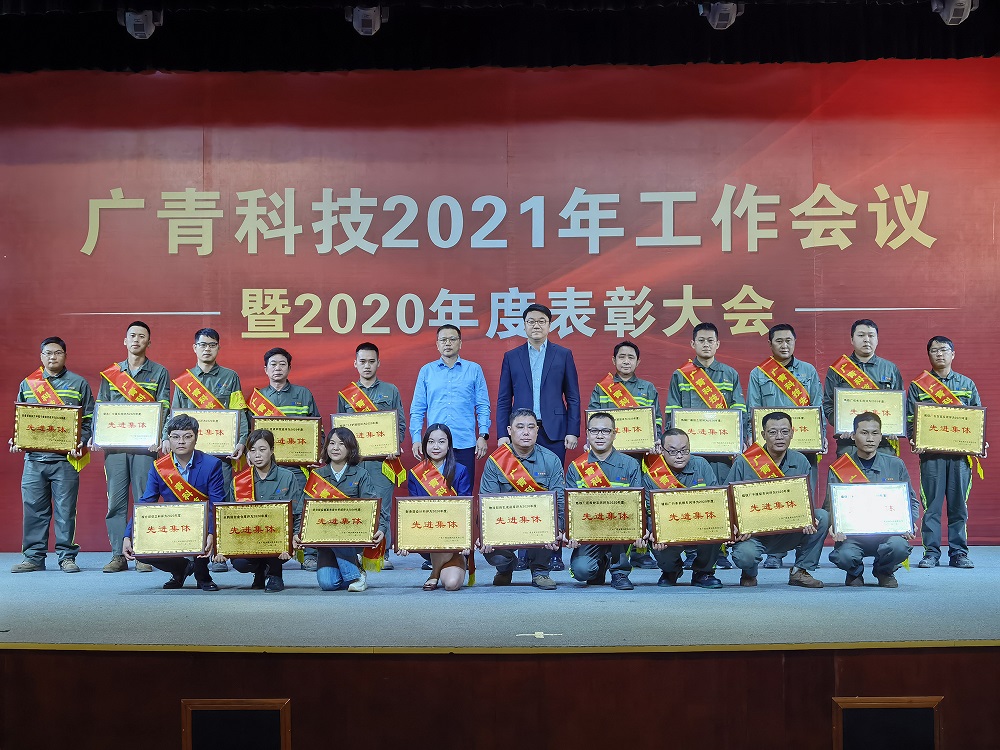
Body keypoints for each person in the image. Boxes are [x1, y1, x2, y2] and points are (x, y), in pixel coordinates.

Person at [166, 328, 249, 573]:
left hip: (221, 455)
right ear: (195, 348)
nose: (207, 349)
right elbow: (174, 416)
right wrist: (166, 439)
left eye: (212, 345)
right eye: (203, 345)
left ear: (218, 348)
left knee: (219, 502)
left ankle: (218, 554)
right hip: (189, 455)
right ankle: (190, 552)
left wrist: (242, 440)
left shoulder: (230, 377)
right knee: (189, 501)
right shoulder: (184, 380)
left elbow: (239, 411)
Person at [9, 337, 95, 573]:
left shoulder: (78, 383)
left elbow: (89, 419)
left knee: (65, 511)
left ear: (65, 355)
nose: (52, 357)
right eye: (48, 353)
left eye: (57, 353)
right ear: (41, 356)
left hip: (65, 461)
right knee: (33, 511)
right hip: (34, 460)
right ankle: (33, 557)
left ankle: (67, 557)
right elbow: (21, 419)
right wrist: (17, 439)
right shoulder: (28, 384)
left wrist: (81, 441)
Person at [665, 322, 746, 569]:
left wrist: (740, 439)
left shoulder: (730, 374)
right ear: (693, 344)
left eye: (711, 340)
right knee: (691, 499)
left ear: (718, 344)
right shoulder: (681, 375)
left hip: (721, 452)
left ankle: (718, 549)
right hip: (689, 453)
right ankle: (692, 549)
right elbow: (672, 412)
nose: (706, 344)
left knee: (719, 495)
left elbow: (739, 411)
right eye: (701, 340)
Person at [746, 323, 825, 569]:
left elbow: (818, 407)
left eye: (788, 340)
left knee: (804, 497)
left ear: (795, 342)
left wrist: (820, 434)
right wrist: (752, 438)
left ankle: (804, 558)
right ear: (770, 343)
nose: (784, 345)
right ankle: (775, 551)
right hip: (771, 450)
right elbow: (752, 410)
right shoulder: (759, 373)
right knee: (773, 496)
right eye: (779, 341)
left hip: (804, 448)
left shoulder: (808, 371)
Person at [94, 321, 170, 574]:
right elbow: (101, 406)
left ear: (149, 342)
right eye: (132, 336)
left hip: (145, 448)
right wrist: (97, 435)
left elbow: (164, 407)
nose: (136, 340)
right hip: (115, 450)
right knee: (115, 503)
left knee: (144, 500)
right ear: (125, 341)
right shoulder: (111, 373)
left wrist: (161, 436)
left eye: (142, 336)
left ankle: (142, 553)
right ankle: (118, 555)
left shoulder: (159, 372)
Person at [122, 414, 227, 591]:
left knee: (202, 524)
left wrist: (212, 533)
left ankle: (203, 575)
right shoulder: (159, 467)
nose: (181, 442)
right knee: (139, 548)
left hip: (202, 524)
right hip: (174, 524)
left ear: (196, 438)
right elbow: (146, 503)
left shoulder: (212, 464)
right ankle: (180, 568)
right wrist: (128, 535)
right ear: (169, 439)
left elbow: (217, 504)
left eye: (187, 437)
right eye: (175, 437)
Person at [727, 411, 830, 588]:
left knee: (821, 516)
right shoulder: (745, 462)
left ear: (792, 433)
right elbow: (728, 501)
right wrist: (737, 525)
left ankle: (800, 571)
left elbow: (806, 500)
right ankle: (749, 571)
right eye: (773, 432)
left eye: (784, 431)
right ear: (763, 435)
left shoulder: (801, 461)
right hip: (754, 534)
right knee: (745, 555)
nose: (779, 437)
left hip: (788, 531)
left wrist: (807, 518)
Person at [906, 336, 983, 569]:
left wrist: (979, 443)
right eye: (934, 350)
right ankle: (931, 553)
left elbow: (976, 419)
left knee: (958, 506)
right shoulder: (919, 386)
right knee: (932, 507)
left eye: (944, 349)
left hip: (960, 458)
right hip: (931, 457)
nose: (939, 354)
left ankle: (959, 553)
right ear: (928, 355)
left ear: (953, 354)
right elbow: (910, 419)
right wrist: (914, 439)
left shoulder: (967, 384)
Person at [589, 340, 663, 569]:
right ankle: (610, 547)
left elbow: (657, 420)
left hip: (640, 457)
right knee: (614, 499)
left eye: (631, 357)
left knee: (640, 499)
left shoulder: (648, 388)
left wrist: (655, 439)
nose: (626, 361)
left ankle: (641, 551)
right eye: (621, 357)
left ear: (638, 362)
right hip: (609, 456)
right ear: (614, 360)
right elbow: (593, 418)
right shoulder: (602, 388)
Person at [247, 346, 321, 571]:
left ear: (289, 368)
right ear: (265, 369)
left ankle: (309, 554)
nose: (277, 368)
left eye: (282, 364)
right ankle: (266, 553)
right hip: (265, 467)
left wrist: (316, 452)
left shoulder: (303, 394)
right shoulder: (257, 399)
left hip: (298, 467)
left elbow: (317, 429)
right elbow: (249, 434)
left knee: (303, 508)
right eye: (273, 364)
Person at [337, 342, 407, 571]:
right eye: (362, 361)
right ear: (355, 363)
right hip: (354, 463)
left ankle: (382, 554)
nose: (367, 366)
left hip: (382, 462)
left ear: (378, 363)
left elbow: (400, 423)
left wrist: (394, 444)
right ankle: (357, 553)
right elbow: (340, 430)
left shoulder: (390, 390)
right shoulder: (345, 394)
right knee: (357, 507)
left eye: (371, 361)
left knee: (382, 507)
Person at [826, 412, 917, 587]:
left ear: (881, 436)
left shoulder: (895, 464)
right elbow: (830, 505)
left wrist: (909, 522)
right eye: (864, 433)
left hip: (887, 533)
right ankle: (854, 572)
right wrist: (834, 525)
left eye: (875, 433)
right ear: (853, 436)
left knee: (899, 547)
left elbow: (910, 500)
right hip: (852, 536)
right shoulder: (839, 468)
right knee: (844, 556)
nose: (870, 439)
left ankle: (884, 571)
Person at [479, 409, 566, 591]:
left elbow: (559, 502)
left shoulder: (551, 460)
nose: (526, 432)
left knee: (548, 523)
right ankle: (505, 568)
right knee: (493, 551)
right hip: (506, 524)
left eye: (531, 427)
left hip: (538, 524)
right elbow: (487, 505)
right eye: (520, 427)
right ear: (509, 430)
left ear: (537, 430)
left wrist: (557, 529)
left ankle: (540, 571)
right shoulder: (496, 462)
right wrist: (486, 534)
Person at [295, 427, 384, 592]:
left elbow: (374, 507)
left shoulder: (361, 474)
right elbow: (302, 509)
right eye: (332, 443)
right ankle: (353, 567)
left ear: (350, 448)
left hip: (351, 537)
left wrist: (382, 528)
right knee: (328, 584)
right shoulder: (317, 475)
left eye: (341, 444)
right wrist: (297, 533)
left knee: (339, 528)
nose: (335, 448)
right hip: (325, 541)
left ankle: (356, 576)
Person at [564, 412, 643, 590]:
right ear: (587, 434)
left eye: (606, 431)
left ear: (614, 434)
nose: (600, 436)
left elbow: (637, 505)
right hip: (589, 530)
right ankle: (599, 565)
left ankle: (620, 572)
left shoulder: (630, 464)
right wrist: (571, 532)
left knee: (623, 520)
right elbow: (570, 507)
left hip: (620, 528)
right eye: (594, 431)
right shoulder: (576, 467)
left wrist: (639, 530)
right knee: (581, 571)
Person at [215, 429, 301, 592]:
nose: (257, 455)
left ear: (272, 450)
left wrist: (294, 537)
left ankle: (275, 574)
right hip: (250, 537)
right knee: (240, 563)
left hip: (277, 538)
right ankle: (260, 571)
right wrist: (223, 547)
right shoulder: (239, 481)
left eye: (262, 449)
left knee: (277, 542)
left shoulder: (287, 476)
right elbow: (230, 518)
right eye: (252, 450)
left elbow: (296, 512)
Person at [409, 324, 491, 486]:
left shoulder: (474, 369)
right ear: (437, 344)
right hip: (435, 445)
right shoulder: (426, 371)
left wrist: (483, 435)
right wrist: (416, 438)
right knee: (435, 491)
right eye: (443, 340)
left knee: (463, 492)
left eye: (452, 339)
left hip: (464, 442)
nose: (448, 343)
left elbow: (482, 405)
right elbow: (417, 409)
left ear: (460, 343)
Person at [642, 428, 722, 589]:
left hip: (700, 523)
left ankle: (703, 572)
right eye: (673, 451)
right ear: (662, 450)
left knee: (719, 525)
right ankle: (671, 570)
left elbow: (717, 499)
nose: (679, 456)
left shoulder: (701, 465)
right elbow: (651, 513)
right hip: (670, 527)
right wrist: (656, 533)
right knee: (655, 538)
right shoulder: (652, 476)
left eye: (684, 450)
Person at [403, 424, 473, 591]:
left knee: (451, 584)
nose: (436, 446)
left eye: (441, 442)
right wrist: (404, 539)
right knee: (435, 528)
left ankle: (442, 568)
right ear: (425, 445)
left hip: (454, 536)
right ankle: (435, 572)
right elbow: (412, 511)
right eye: (431, 442)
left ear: (449, 445)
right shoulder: (415, 474)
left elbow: (466, 509)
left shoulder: (461, 471)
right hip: (427, 534)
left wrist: (465, 540)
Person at [822, 318, 902, 457]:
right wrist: (841, 425)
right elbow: (828, 404)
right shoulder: (837, 370)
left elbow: (899, 406)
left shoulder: (890, 369)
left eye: (871, 335)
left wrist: (895, 427)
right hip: (849, 442)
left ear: (877, 339)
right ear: (851, 339)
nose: (866, 340)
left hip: (884, 443)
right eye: (861, 335)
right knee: (850, 472)